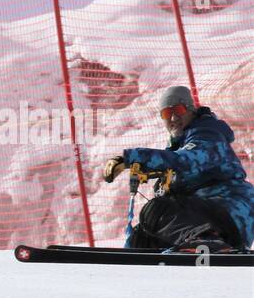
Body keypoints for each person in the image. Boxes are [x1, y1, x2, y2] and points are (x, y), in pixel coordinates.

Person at [102, 86, 254, 251]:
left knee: (157, 209)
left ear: (191, 110)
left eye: (178, 110)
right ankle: (128, 263)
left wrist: (130, 159)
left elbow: (186, 160)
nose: (173, 117)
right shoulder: (178, 146)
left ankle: (207, 242)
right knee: (144, 232)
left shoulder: (208, 134)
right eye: (167, 113)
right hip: (209, 217)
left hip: (232, 212)